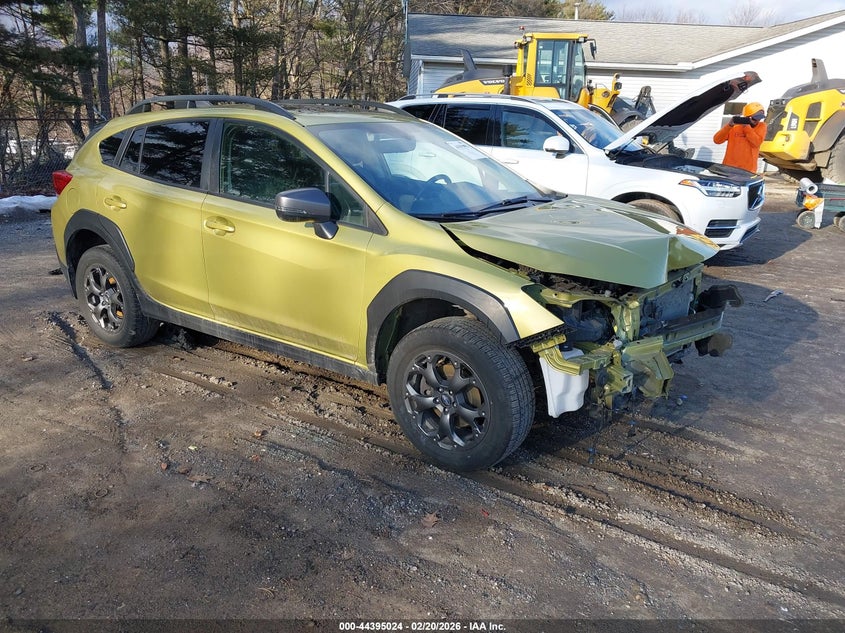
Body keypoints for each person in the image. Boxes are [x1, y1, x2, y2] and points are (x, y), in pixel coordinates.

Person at [713, 102, 767, 172]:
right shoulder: (735, 127)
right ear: (747, 117)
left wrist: (746, 127)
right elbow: (717, 140)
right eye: (755, 118)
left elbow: (756, 143)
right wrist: (729, 126)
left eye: (759, 118)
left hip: (748, 170)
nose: (757, 121)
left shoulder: (762, 126)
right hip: (729, 167)